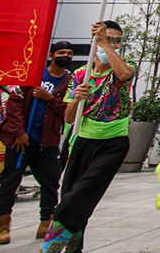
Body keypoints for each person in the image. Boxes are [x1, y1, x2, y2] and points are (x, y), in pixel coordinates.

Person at [41, 21, 135, 251]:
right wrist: (76, 99)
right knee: (72, 194)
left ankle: (53, 241)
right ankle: (74, 248)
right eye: (107, 39)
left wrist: (105, 43)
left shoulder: (123, 65)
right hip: (82, 140)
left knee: (84, 192)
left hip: (112, 142)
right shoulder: (80, 75)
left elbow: (124, 74)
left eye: (116, 40)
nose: (112, 44)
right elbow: (69, 117)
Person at [0, 42, 75, 244]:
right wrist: (18, 132)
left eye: (70, 54)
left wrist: (49, 98)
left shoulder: (70, 81)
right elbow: (14, 104)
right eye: (62, 53)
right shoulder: (32, 75)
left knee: (50, 181)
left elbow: (67, 111)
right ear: (52, 54)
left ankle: (47, 220)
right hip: (22, 141)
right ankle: (2, 222)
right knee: (9, 182)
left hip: (47, 141)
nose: (66, 56)